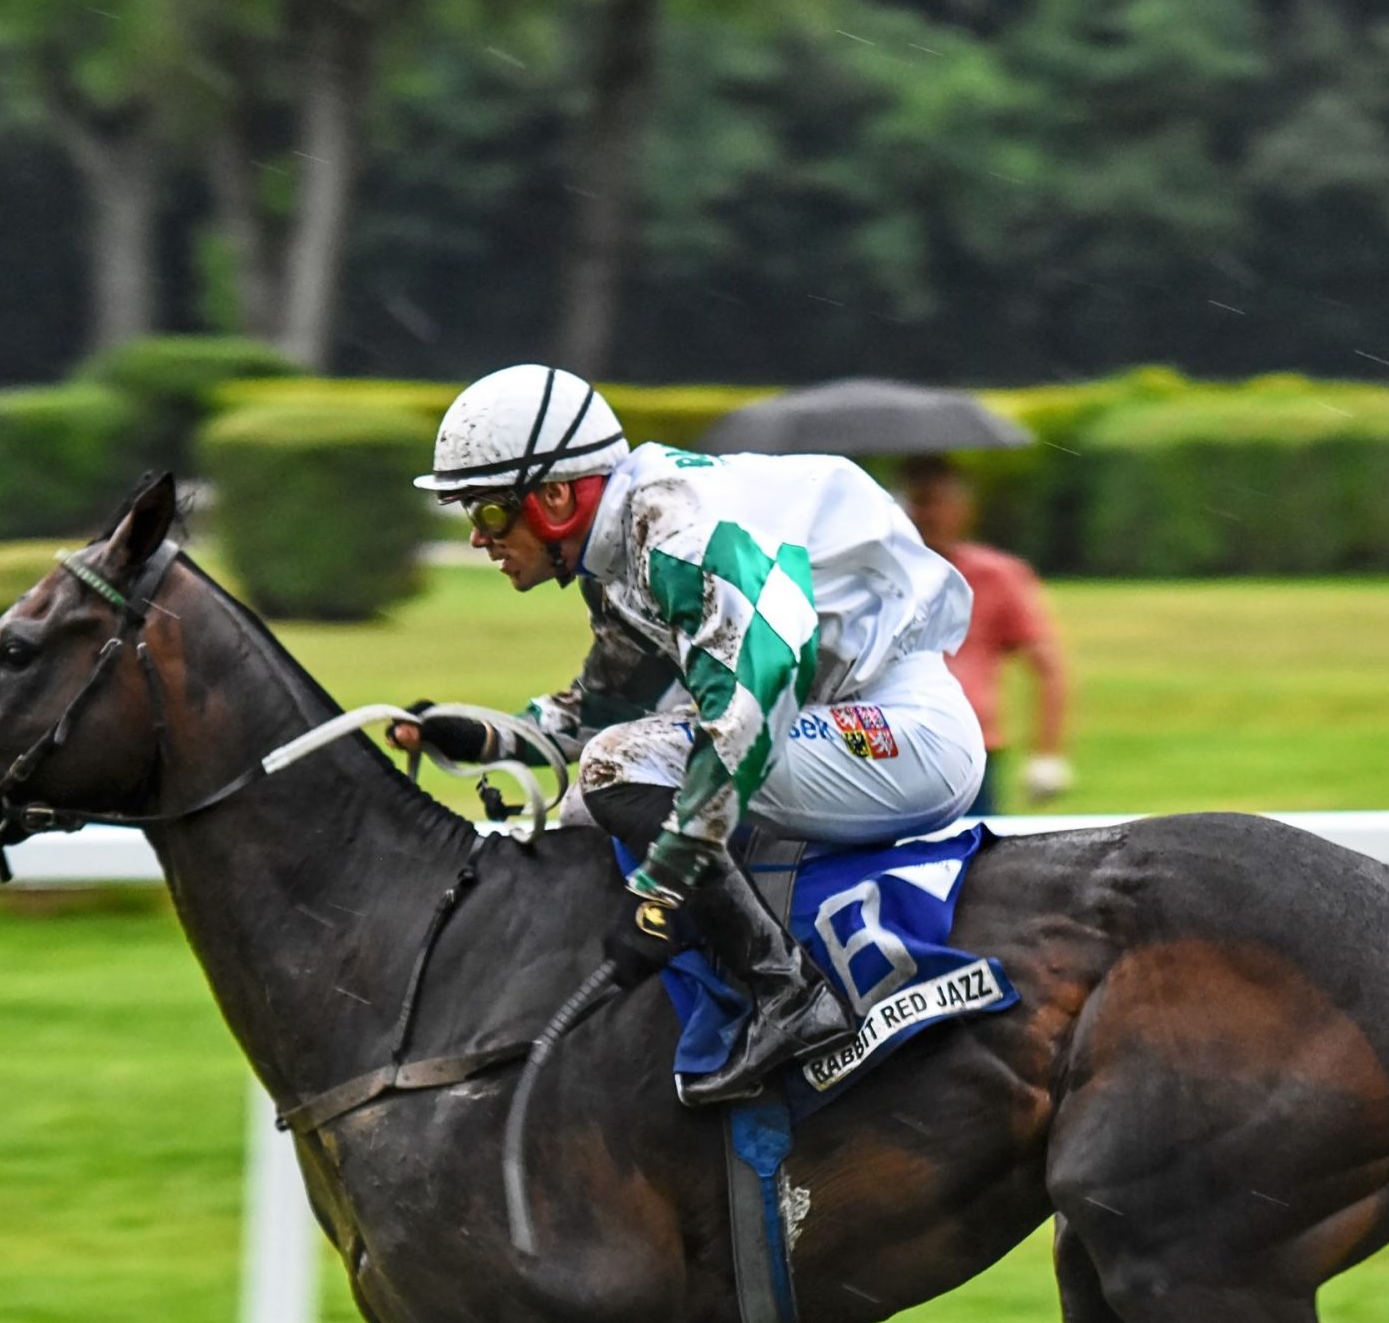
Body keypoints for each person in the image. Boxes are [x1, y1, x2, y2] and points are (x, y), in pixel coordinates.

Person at [398, 364, 985, 1104]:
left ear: (554, 498)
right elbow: (605, 709)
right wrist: (492, 738)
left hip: (904, 731)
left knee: (618, 770)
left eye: (487, 513)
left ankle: (785, 991)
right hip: (835, 720)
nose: (480, 540)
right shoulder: (622, 554)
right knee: (593, 790)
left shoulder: (677, 535)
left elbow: (752, 699)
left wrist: (667, 882)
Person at [897, 456, 1071, 815]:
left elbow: (1047, 664)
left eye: (935, 502)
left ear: (963, 509)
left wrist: (1047, 754)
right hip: (892, 743)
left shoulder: (995, 576)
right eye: (915, 503)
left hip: (967, 745)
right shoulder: (880, 574)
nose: (925, 515)